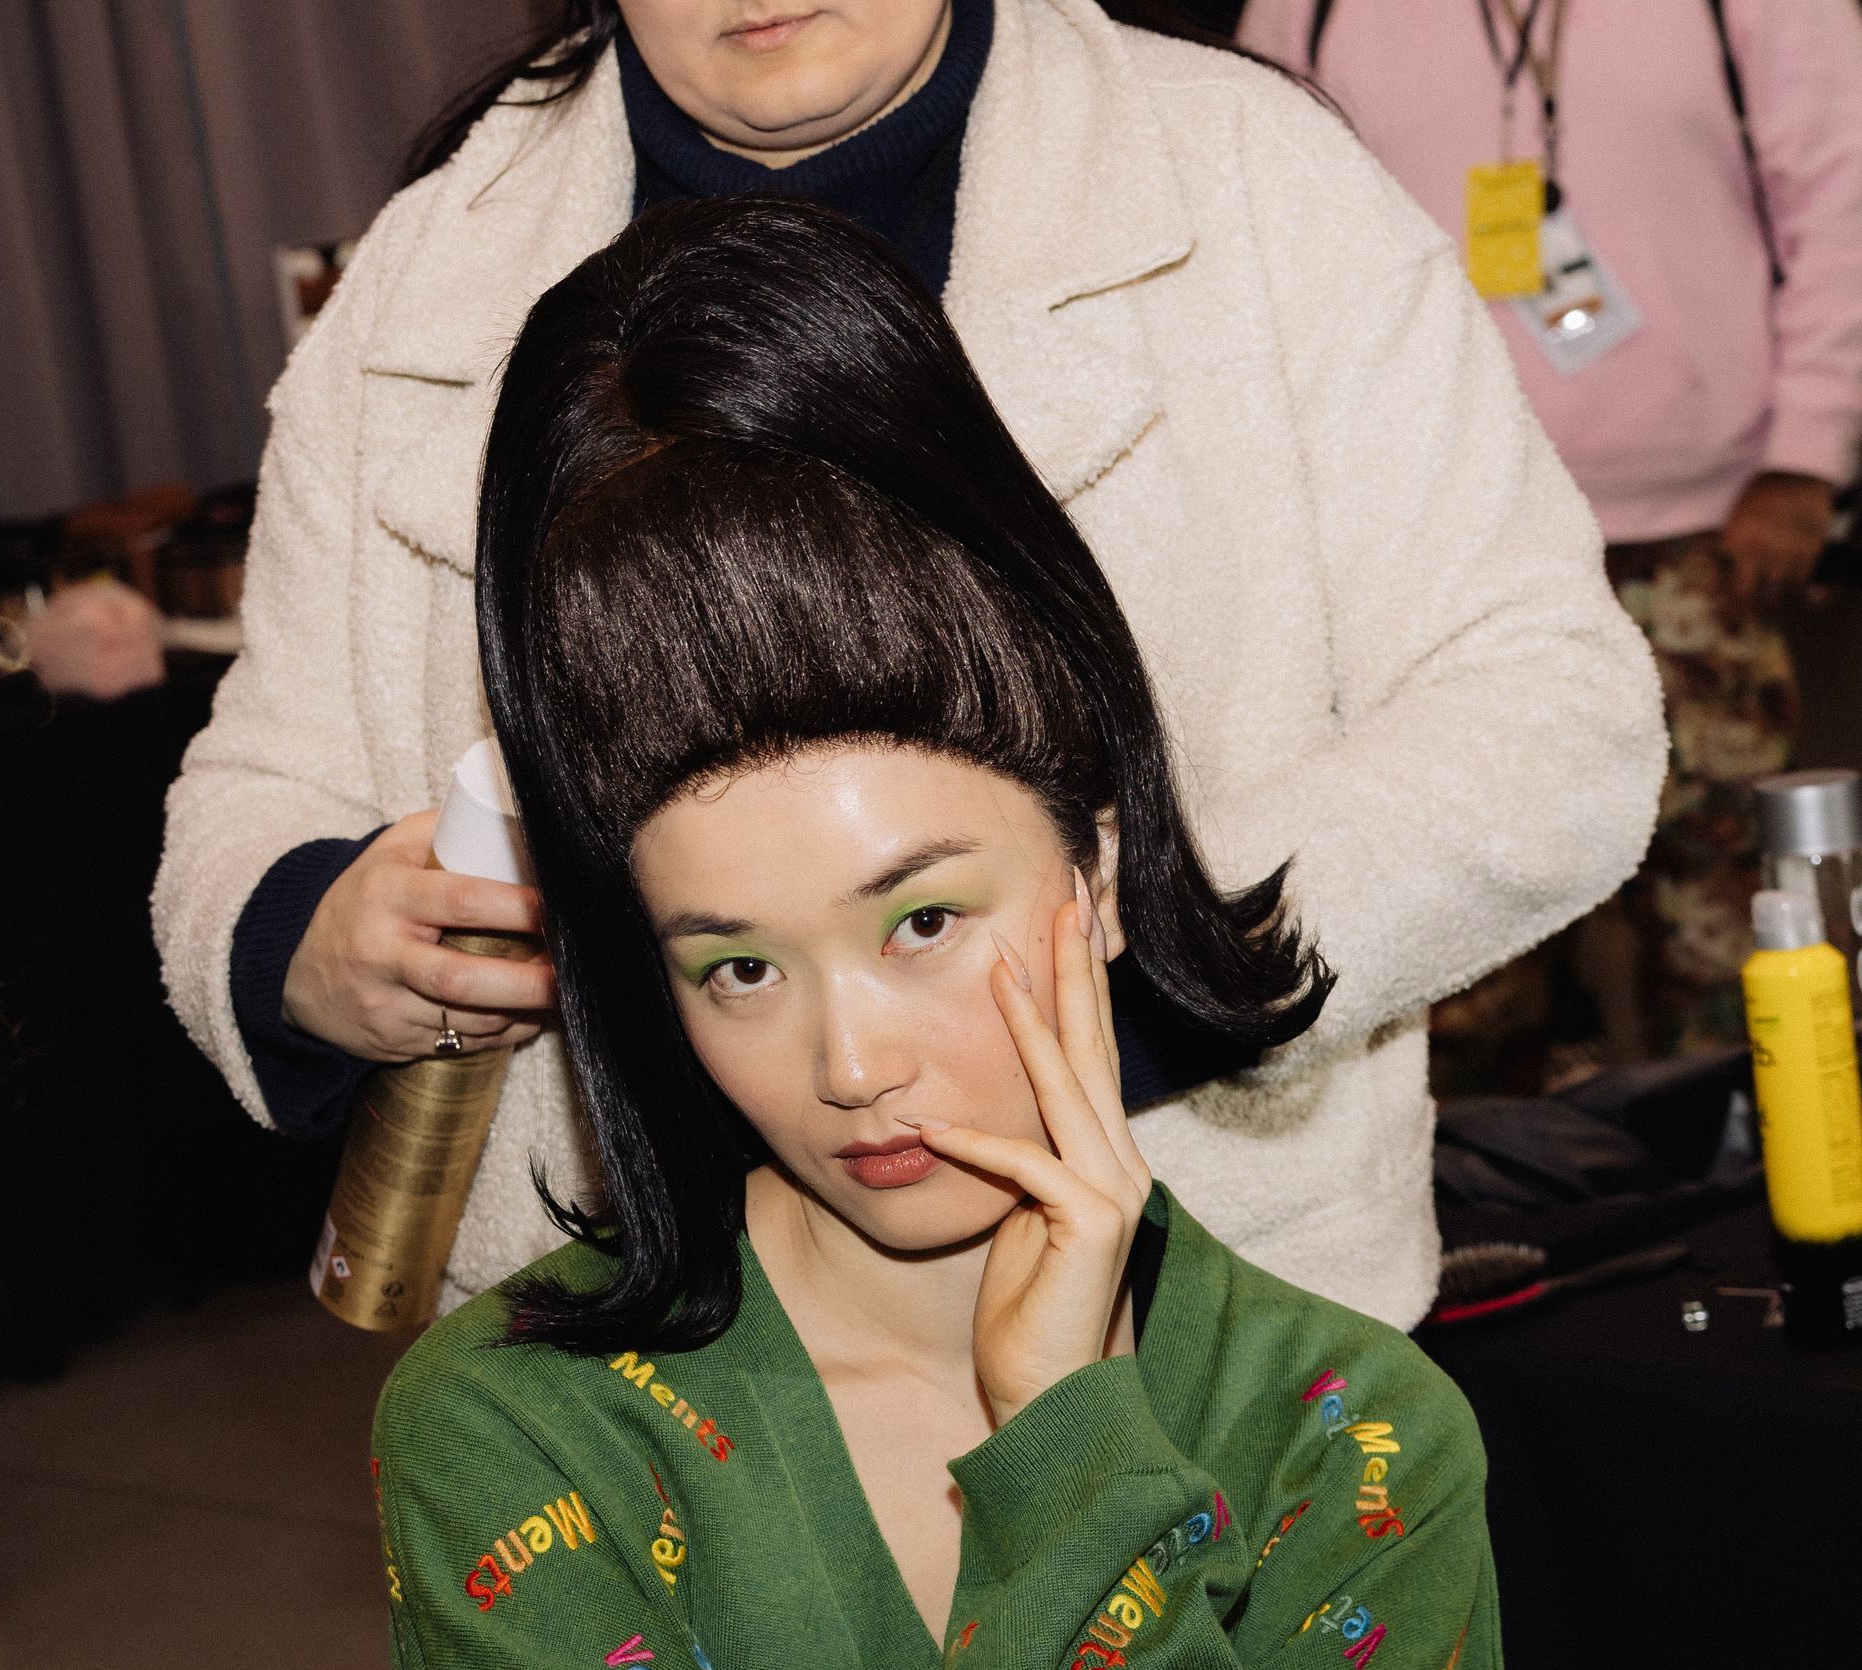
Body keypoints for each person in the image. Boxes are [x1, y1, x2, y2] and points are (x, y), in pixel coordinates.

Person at [367, 197, 1671, 1670]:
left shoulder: (1344, 1430)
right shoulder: (517, 1444)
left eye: (924, 918)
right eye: (736, 966)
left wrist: (1071, 1473)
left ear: (1086, 864)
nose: (853, 1063)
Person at [154, 0, 1667, 1333]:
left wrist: (1132, 980)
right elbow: (259, 774)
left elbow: (1549, 707)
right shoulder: (438, 257)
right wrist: (304, 933)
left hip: (1192, 1292)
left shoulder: (1245, 179)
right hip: (637, 1357)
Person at [1240, 0, 1862, 1074]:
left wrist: (1808, 453)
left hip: (1705, 533)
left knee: (1725, 926)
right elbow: (1252, 224)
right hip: (1423, 536)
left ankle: (1752, 1191)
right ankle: (1508, 1201)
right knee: (1457, 941)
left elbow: (1843, 196)